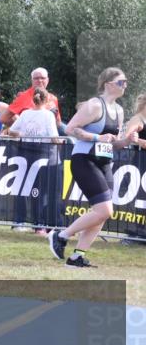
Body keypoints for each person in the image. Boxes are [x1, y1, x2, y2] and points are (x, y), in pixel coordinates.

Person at [49, 68, 133, 267]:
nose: (125, 85)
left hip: (105, 162)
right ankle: (60, 236)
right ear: (108, 84)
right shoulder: (94, 105)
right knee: (104, 210)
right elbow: (70, 129)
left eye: (126, 82)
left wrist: (127, 140)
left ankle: (77, 256)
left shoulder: (119, 111)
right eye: (122, 82)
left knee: (103, 213)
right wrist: (96, 137)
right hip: (84, 159)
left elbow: (114, 143)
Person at [8, 87, 61, 233]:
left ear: (33, 99)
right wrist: (63, 143)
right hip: (42, 154)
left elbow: (11, 131)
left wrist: (24, 134)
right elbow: (54, 137)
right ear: (47, 100)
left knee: (24, 188)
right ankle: (38, 225)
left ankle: (19, 222)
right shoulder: (48, 115)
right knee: (40, 190)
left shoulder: (25, 114)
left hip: (25, 152)